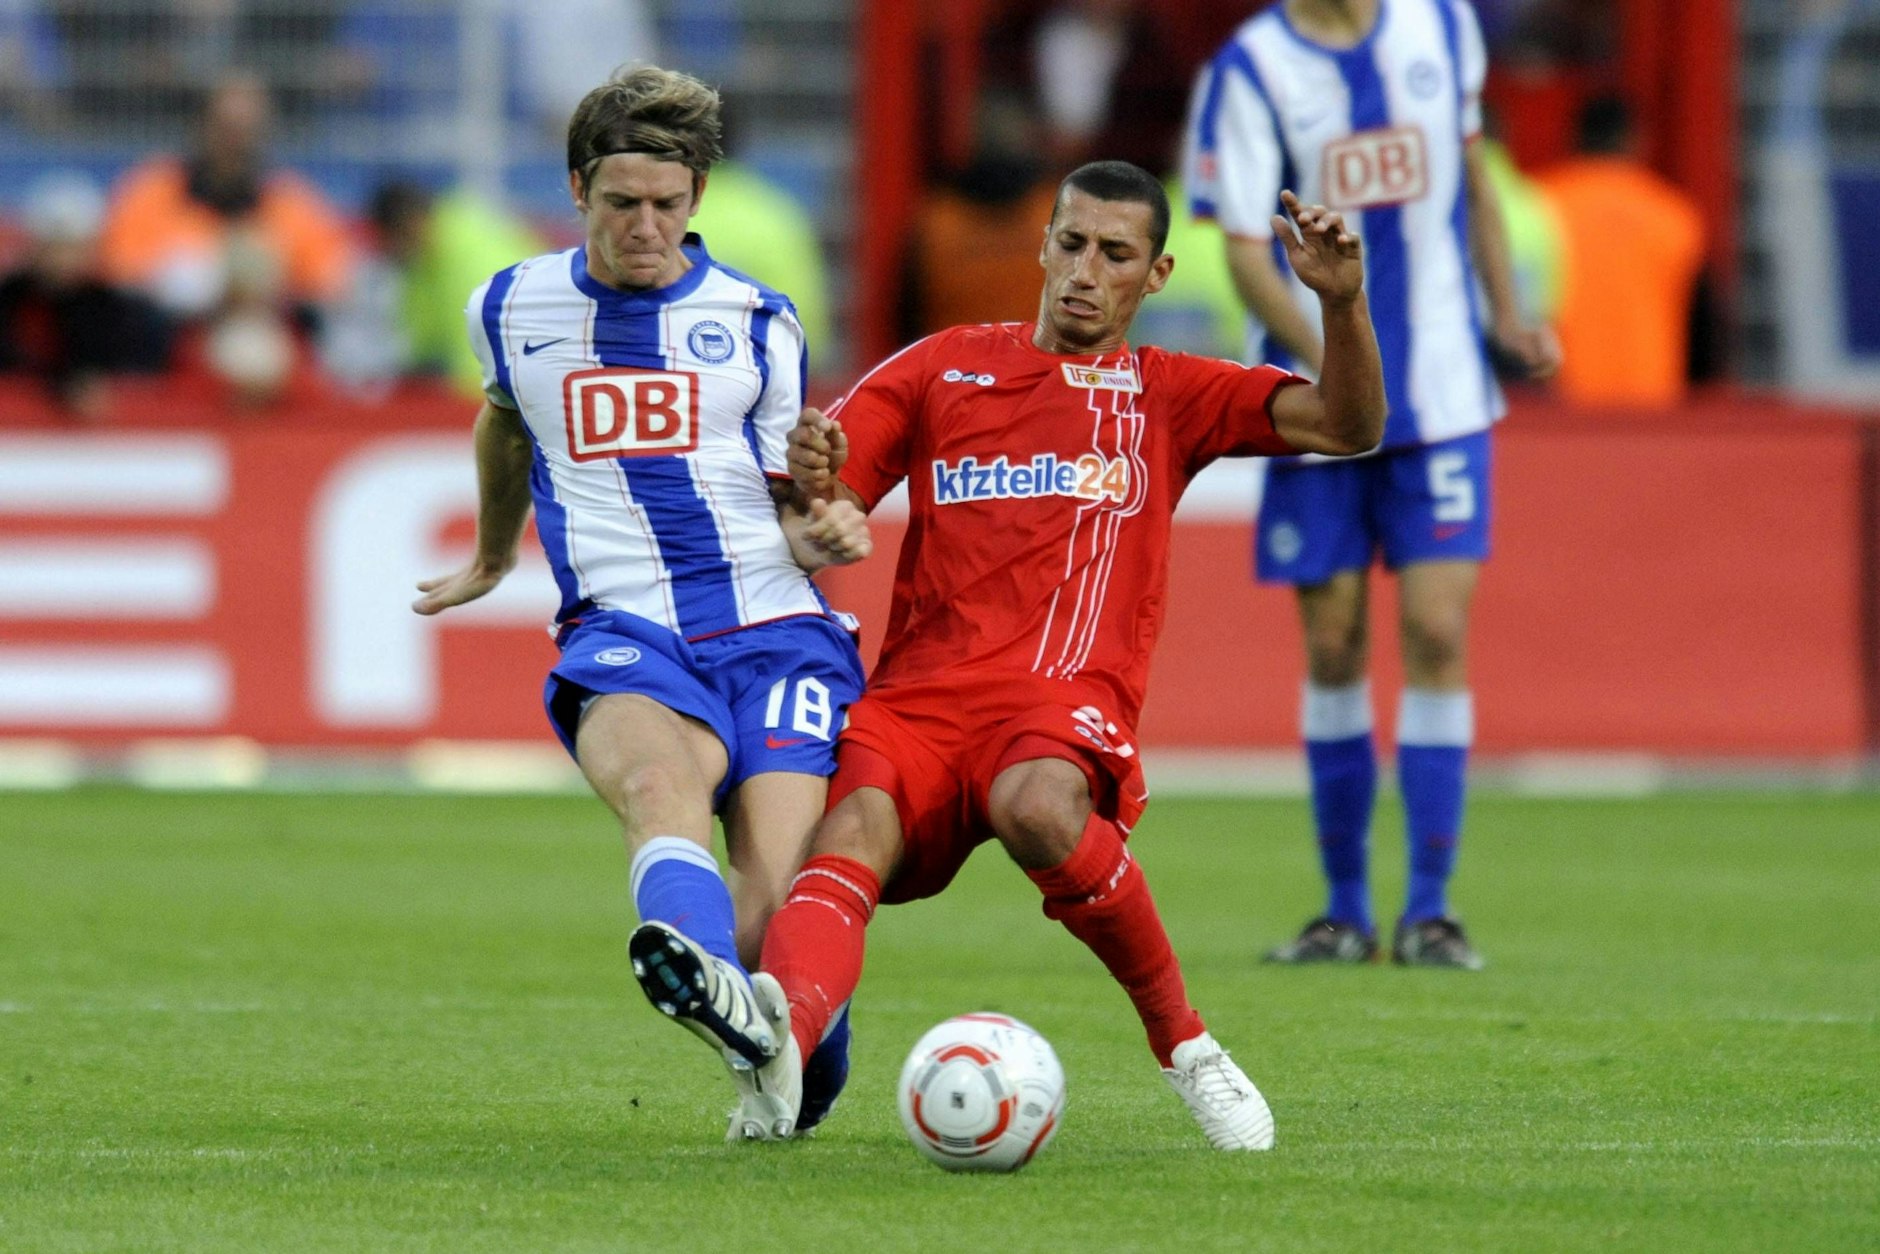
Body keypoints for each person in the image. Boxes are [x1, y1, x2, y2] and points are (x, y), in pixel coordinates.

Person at [637, 160, 1387, 1149]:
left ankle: (1187, 1046)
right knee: (847, 833)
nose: (1085, 271)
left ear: (1156, 274)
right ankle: (780, 1058)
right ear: (1043, 243)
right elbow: (821, 509)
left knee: (1036, 804)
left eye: (1114, 254)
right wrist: (815, 493)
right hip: (917, 701)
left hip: (1057, 694)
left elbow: (1348, 425)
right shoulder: (940, 367)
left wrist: (1341, 303)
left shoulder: (1168, 392)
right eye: (1070, 243)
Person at [410, 65, 871, 1142]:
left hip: (775, 630)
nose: (646, 227)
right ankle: (700, 978)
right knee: (658, 788)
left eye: (667, 203)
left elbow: (790, 499)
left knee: (774, 907)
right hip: (623, 630)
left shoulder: (757, 322)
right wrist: (491, 553)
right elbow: (504, 418)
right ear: (578, 189)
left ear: (697, 196)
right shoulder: (509, 306)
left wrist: (827, 525)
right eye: (622, 203)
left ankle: (782, 1045)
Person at [1184, 0, 1559, 969]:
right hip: (1319, 408)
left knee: (1436, 631)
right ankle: (1344, 911)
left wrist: (1508, 315)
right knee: (1333, 641)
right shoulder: (1251, 67)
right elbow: (1243, 253)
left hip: (1444, 394)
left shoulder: (1440, 24)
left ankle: (1430, 910)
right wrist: (1345, 374)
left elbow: (1471, 178)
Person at [1538, 95, 1704, 406]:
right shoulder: (1673, 215)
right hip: (1652, 393)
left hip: (1560, 396)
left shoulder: (1539, 204)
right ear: (1634, 140)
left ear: (1574, 138)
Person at [0, 172, 172, 418]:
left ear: (92, 246)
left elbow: (137, 377)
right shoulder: (10, 300)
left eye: (71, 245)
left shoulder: (120, 311)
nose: (61, 258)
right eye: (53, 244)